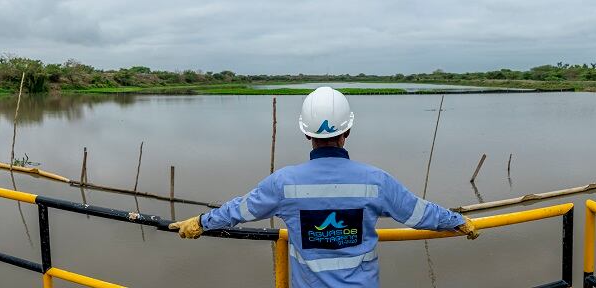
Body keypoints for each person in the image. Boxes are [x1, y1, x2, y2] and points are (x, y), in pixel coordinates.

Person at [169, 87, 479, 287]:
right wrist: (459, 221)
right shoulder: (376, 181)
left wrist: (200, 223)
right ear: (349, 130)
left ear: (306, 134)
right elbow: (419, 213)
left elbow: (238, 210)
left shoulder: (283, 183)